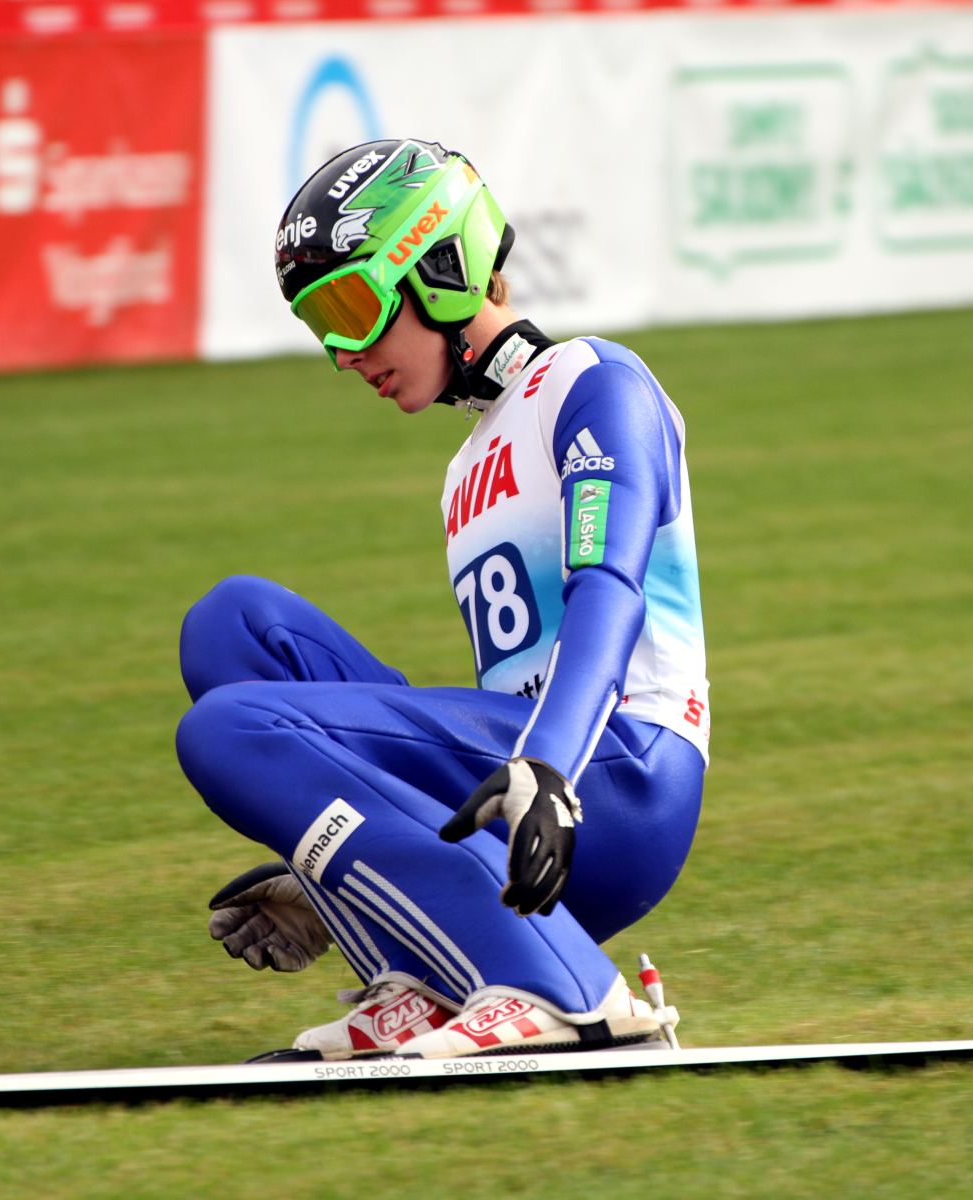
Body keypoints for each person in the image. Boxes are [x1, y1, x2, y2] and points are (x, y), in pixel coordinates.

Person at [175, 138, 709, 1060]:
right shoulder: (466, 464)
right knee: (234, 627)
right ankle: (425, 973)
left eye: (351, 309)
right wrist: (342, 871)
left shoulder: (594, 383)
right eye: (319, 325)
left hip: (612, 775)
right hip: (519, 784)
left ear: (442, 269)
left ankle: (571, 994)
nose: (344, 355)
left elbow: (607, 590)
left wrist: (546, 768)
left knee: (228, 730)